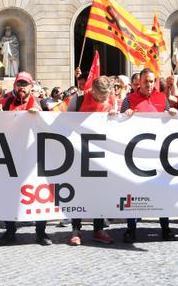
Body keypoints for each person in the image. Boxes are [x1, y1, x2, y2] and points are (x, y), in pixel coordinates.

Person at [121, 68, 178, 242]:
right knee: (133, 190)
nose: (149, 84)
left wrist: (172, 113)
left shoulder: (162, 98)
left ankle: (165, 227)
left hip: (158, 154)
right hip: (135, 155)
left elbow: (169, 118)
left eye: (152, 81)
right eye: (146, 81)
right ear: (140, 81)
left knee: (162, 191)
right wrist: (126, 115)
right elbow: (118, 124)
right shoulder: (129, 100)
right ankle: (131, 229)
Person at [0, 71, 51, 246]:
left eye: (25, 84)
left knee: (39, 192)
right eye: (19, 84)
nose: (22, 87)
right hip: (10, 156)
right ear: (15, 86)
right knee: (8, 194)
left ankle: (41, 232)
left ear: (31, 86)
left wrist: (40, 115)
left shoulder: (42, 103)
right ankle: (10, 231)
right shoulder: (5, 103)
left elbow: (55, 125)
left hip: (36, 156)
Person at [64, 76, 117, 246]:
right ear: (92, 90)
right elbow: (64, 122)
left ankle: (99, 229)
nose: (104, 99)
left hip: (101, 155)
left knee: (100, 192)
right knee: (78, 192)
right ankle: (76, 229)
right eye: (101, 96)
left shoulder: (111, 99)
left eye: (106, 96)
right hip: (79, 153)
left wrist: (116, 117)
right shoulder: (77, 100)